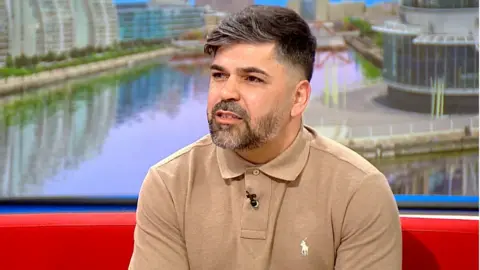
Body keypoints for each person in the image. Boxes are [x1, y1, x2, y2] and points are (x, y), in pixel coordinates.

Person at [129, 5, 402, 270]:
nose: (227, 93)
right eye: (219, 75)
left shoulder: (360, 192)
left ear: (298, 98)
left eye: (252, 79)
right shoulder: (169, 184)